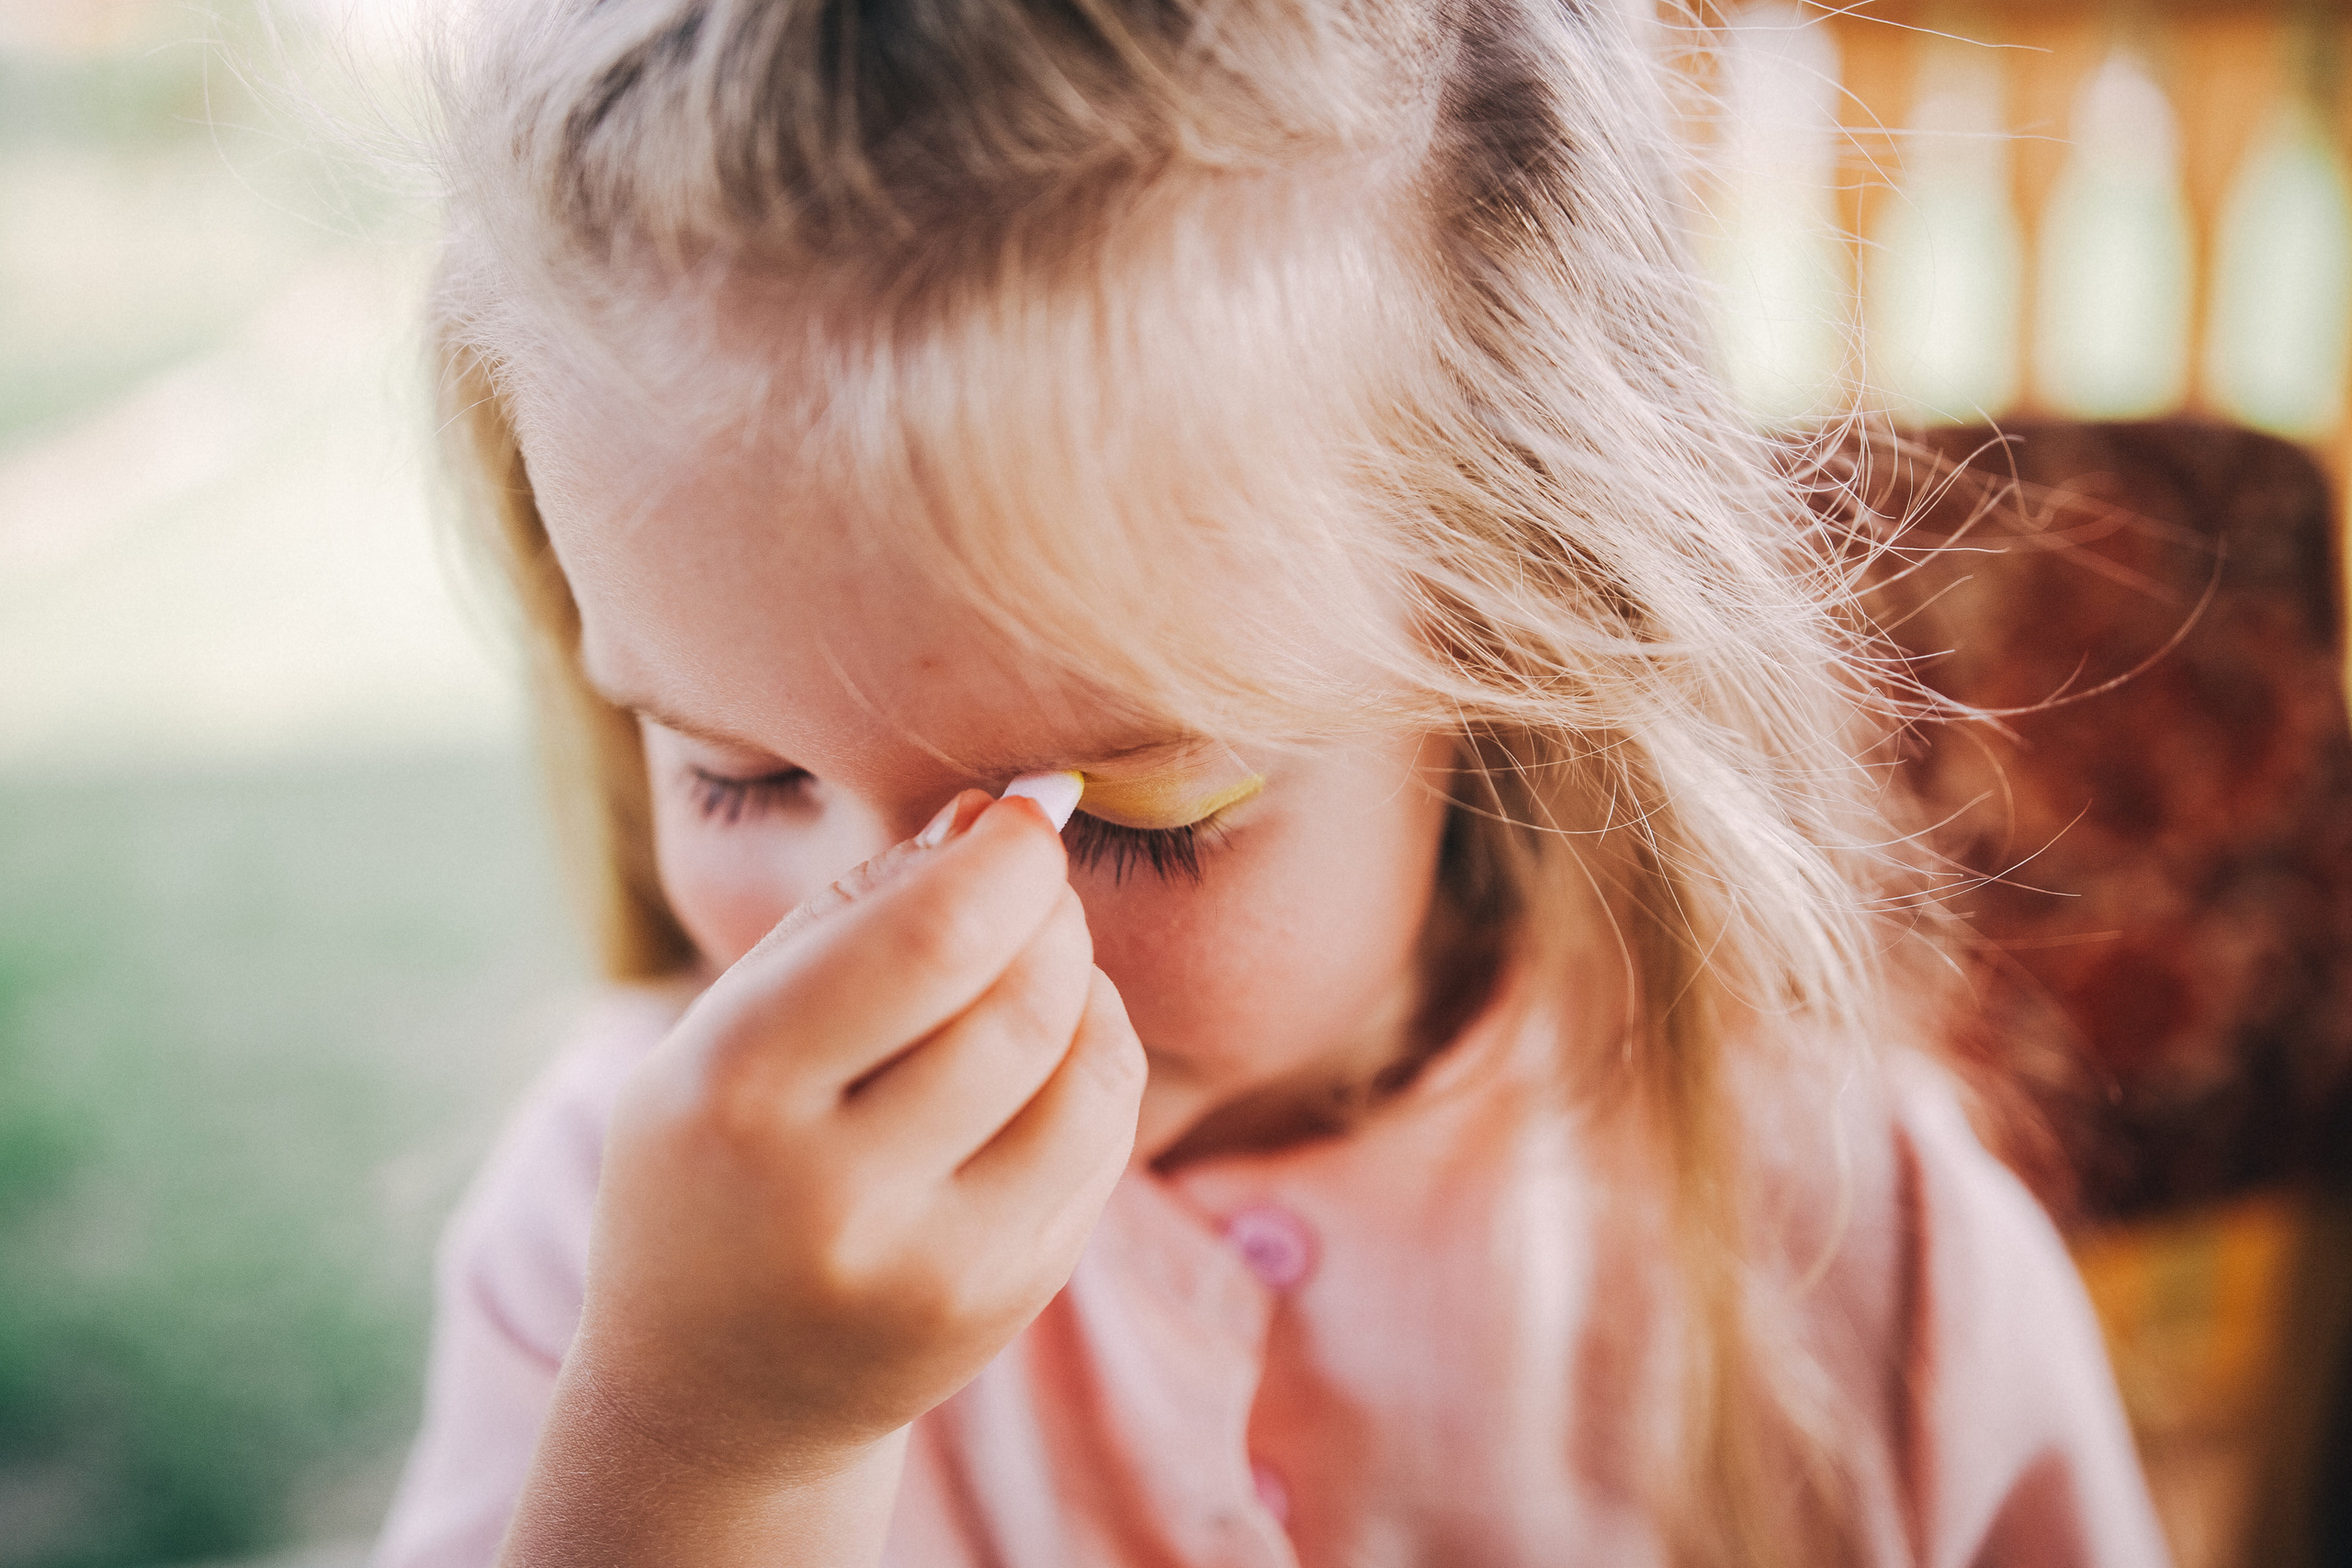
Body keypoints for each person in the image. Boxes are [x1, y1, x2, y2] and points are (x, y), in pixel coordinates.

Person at [375, 2, 2169, 1562]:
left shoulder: (1862, 1263)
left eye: (1135, 813)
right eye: (738, 774)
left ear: (1526, 662)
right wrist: (717, 1440)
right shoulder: (625, 1255)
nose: (897, 938)